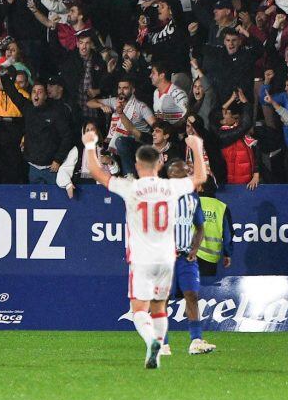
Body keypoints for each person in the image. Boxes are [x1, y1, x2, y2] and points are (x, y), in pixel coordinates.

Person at [81, 126, 207, 369]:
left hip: (141, 257)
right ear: (159, 166)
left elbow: (97, 172)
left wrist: (89, 145)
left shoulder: (132, 187)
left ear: (138, 166)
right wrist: (197, 148)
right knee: (160, 305)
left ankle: (153, 343)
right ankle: (160, 346)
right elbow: (200, 178)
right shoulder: (171, 188)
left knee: (139, 309)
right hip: (166, 258)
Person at [162, 159, 215, 357]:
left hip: (185, 257)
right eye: (185, 173)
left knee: (192, 295)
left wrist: (194, 249)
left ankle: (196, 341)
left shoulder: (193, 198)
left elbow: (200, 226)